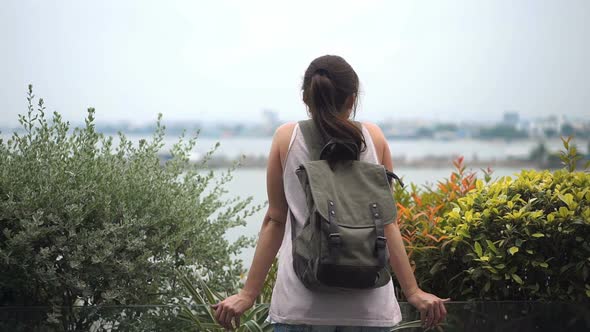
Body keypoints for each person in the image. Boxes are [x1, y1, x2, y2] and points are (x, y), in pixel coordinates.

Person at [212, 55, 450, 332]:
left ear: (305, 98)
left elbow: (275, 221)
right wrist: (413, 292)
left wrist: (247, 295)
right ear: (351, 99)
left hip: (300, 307)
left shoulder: (286, 138)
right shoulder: (374, 138)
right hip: (369, 310)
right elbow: (387, 223)